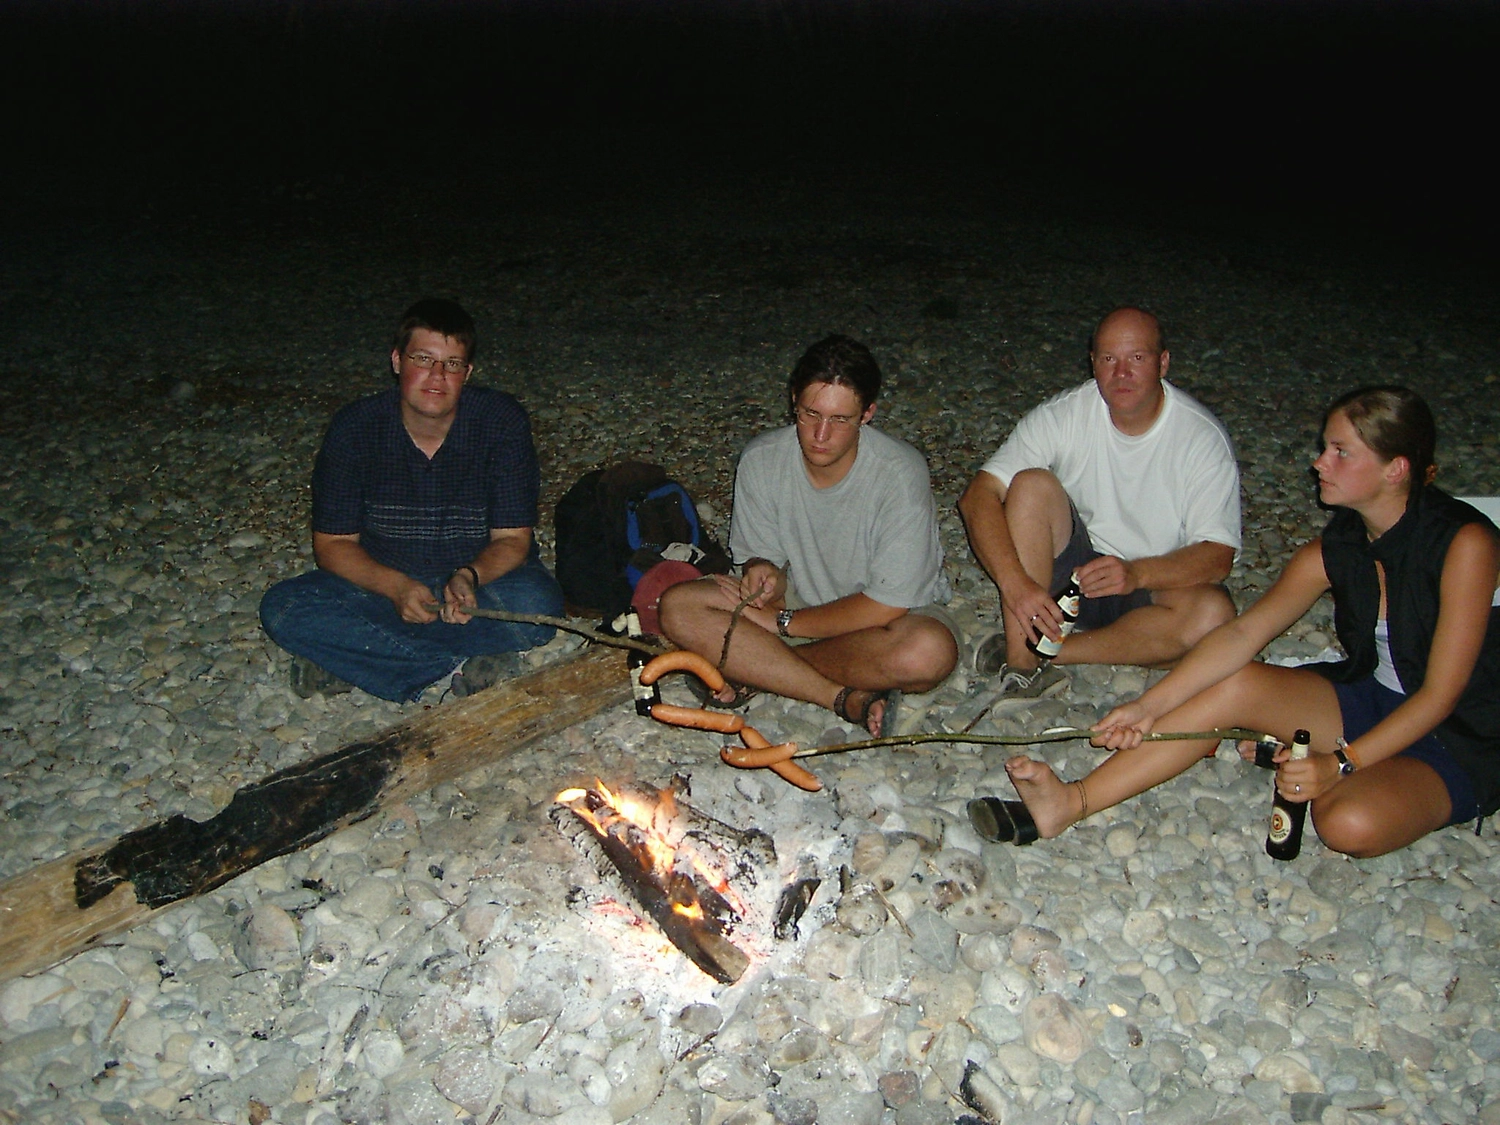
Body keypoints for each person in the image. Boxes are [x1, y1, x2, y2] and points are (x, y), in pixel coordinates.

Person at [987, 386, 1500, 858]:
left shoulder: (1464, 545)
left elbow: (1441, 695)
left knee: (1346, 825)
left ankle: (1354, 769)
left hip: (1461, 734)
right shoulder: (1340, 545)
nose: (1319, 462)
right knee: (1235, 682)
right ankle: (1070, 802)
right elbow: (1241, 634)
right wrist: (1148, 706)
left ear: (1396, 469)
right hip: (1374, 700)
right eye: (1325, 446)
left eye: (1341, 451)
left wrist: (1340, 764)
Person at [259, 298, 563, 702]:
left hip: (477, 585)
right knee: (284, 608)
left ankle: (363, 657)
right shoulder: (356, 428)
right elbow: (333, 545)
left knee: (537, 606)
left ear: (467, 373)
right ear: (398, 361)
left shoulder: (500, 422)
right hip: (384, 584)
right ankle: (452, 663)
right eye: (424, 359)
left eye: (452, 364)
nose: (437, 376)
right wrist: (395, 587)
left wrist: (468, 577)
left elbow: (512, 539)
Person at [658, 334, 958, 737]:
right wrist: (763, 575)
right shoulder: (763, 460)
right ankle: (841, 696)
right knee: (679, 606)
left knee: (926, 653)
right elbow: (762, 562)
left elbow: (885, 605)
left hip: (887, 620)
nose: (820, 435)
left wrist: (782, 624)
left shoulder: (899, 473)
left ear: (867, 414)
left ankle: (756, 670)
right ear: (793, 401)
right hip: (798, 607)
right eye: (809, 414)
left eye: (839, 420)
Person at [958, 307, 1242, 701]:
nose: (1121, 373)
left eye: (1137, 358)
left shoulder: (1200, 438)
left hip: (1148, 581)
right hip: (1066, 575)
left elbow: (1218, 554)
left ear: (1163, 363)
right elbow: (978, 496)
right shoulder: (1065, 414)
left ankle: (1049, 652)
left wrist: (1136, 573)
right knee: (1030, 485)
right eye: (1109, 359)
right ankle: (1022, 664)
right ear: (1092, 363)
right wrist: (1016, 585)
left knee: (1214, 617)